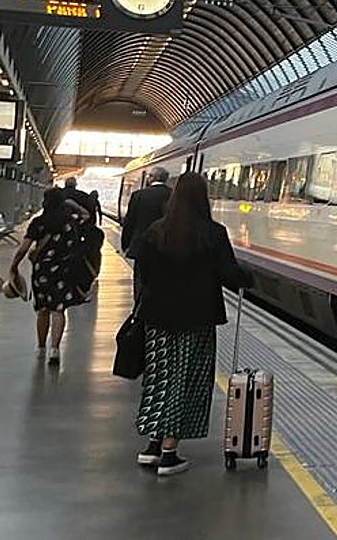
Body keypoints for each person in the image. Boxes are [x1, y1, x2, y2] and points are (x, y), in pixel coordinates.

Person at [131, 171, 252, 476]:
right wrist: (247, 279)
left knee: (159, 378)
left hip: (157, 320)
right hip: (195, 321)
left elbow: (142, 272)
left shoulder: (155, 232)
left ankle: (153, 445)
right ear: (203, 198)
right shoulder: (212, 233)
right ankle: (170, 453)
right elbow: (228, 273)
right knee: (185, 381)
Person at [9, 187, 91, 365]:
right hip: (64, 270)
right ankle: (55, 349)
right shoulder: (70, 221)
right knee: (58, 309)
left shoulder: (38, 222)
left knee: (43, 309)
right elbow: (86, 215)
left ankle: (41, 347)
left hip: (42, 271)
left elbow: (23, 248)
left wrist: (14, 266)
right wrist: (71, 203)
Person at [121, 167, 170, 254]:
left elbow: (130, 221)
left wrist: (126, 245)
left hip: (141, 246)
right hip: (164, 246)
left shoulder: (138, 195)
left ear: (152, 178)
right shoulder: (172, 195)